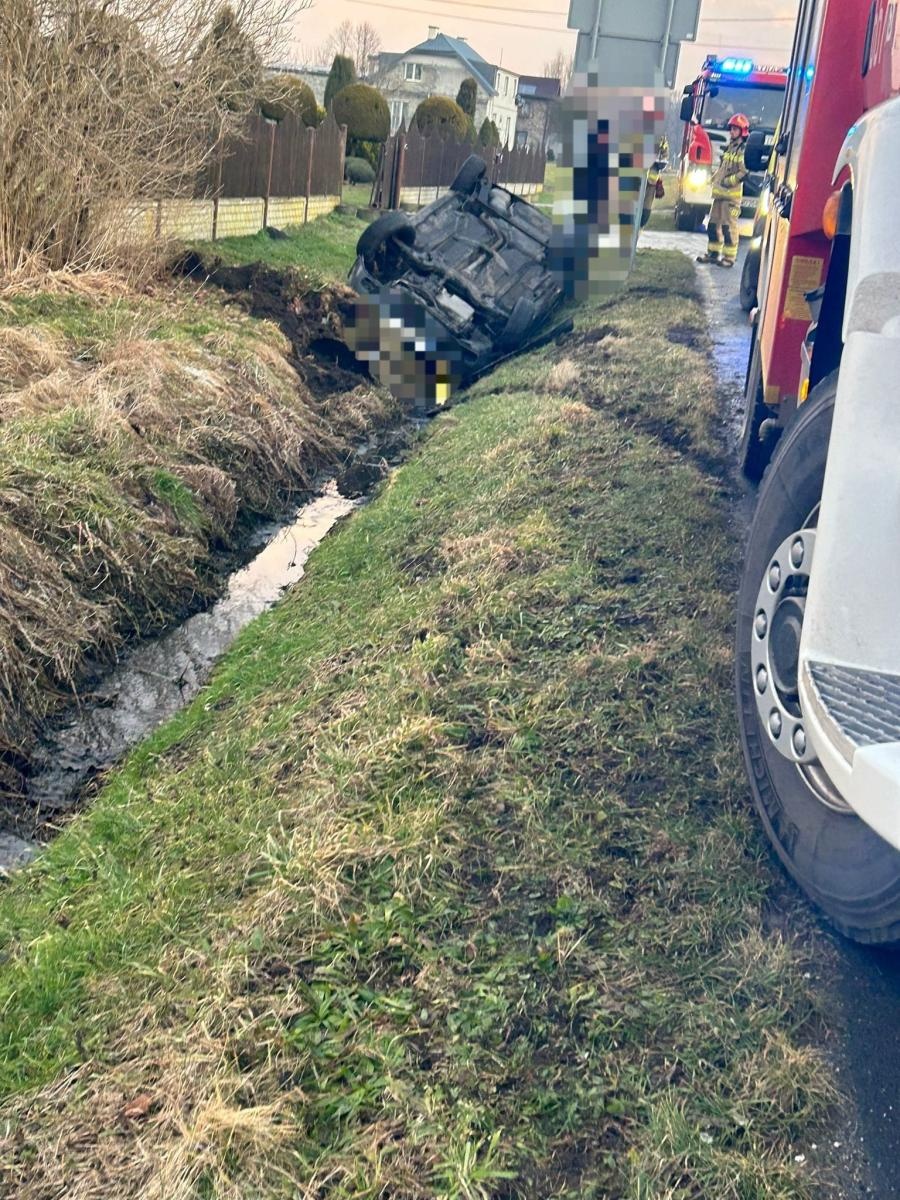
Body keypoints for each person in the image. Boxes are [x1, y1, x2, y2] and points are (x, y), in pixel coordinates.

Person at [697, 113, 750, 269]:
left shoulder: (742, 151)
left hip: (731, 199)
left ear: (742, 131)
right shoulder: (729, 148)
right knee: (712, 225)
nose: (731, 132)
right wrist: (714, 178)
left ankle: (729, 257)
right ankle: (713, 254)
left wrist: (728, 182)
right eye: (731, 129)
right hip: (720, 196)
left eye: (735, 129)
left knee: (729, 227)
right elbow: (723, 168)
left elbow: (744, 172)